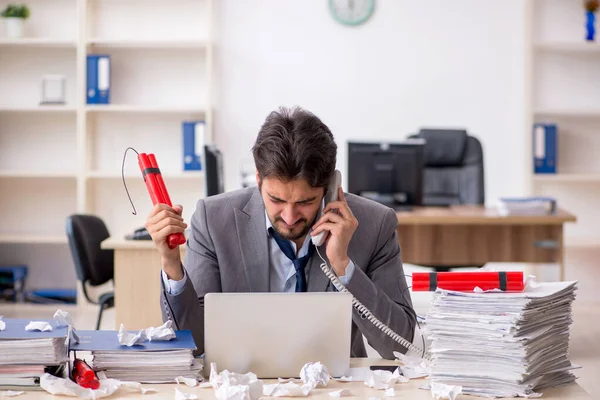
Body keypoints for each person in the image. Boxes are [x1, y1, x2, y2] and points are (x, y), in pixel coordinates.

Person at [146, 106, 417, 360]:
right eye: (276, 200)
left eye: (305, 202)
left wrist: (343, 267)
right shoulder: (214, 220)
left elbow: (399, 346)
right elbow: (194, 344)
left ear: (330, 187)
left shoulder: (375, 224)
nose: (289, 217)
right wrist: (171, 263)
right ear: (258, 180)